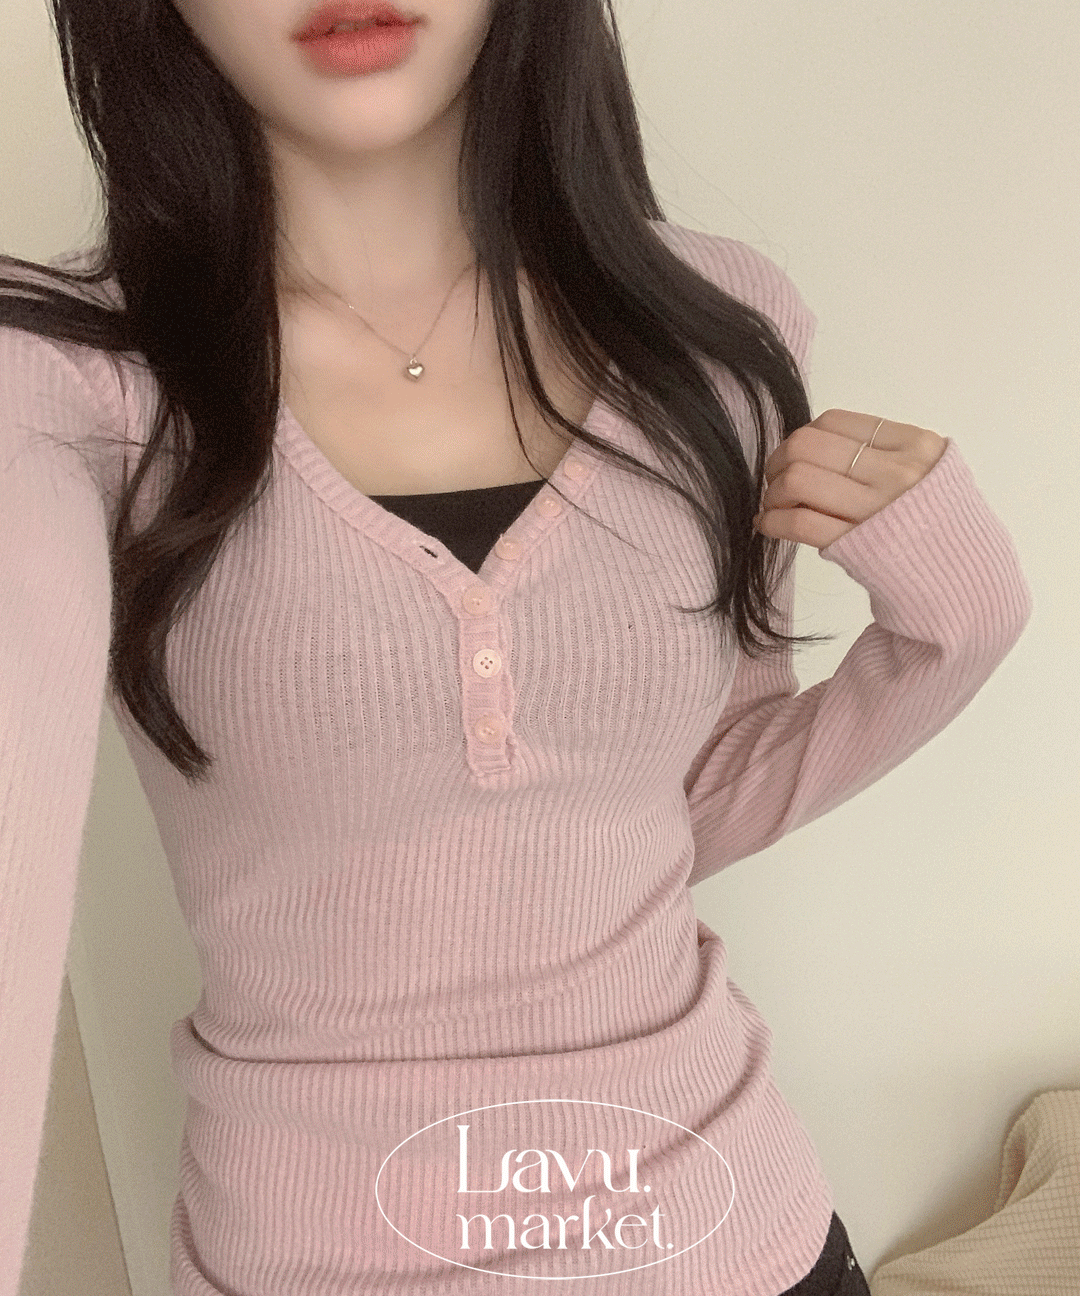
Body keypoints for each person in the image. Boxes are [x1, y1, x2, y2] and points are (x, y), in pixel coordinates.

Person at [0, 1, 1032, 1293]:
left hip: (734, 1237)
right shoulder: (61, 384)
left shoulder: (718, 330)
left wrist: (960, 628)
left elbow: (674, 804)